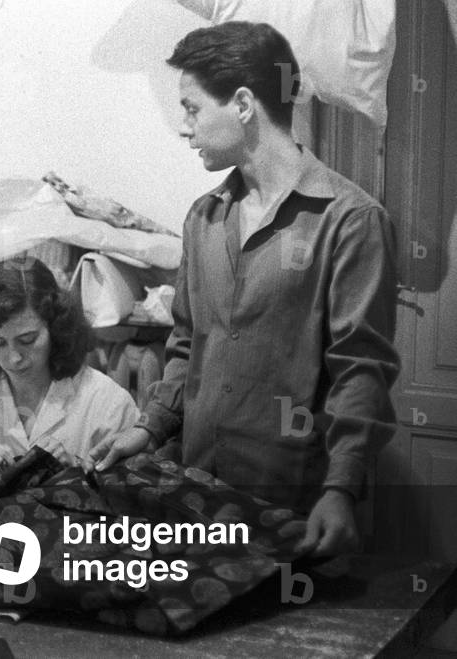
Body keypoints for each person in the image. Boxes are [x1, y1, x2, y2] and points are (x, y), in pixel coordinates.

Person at [86, 22, 400, 557]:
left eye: (191, 108)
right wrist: (147, 428)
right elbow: (188, 343)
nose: (184, 128)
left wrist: (341, 489)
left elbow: (360, 370)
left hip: (293, 505)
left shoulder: (350, 221)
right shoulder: (204, 219)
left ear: (243, 104)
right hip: (197, 499)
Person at [0, 258, 139, 507]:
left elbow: (138, 499)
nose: (13, 357)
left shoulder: (107, 401)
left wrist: (74, 476)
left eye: (28, 339)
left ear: (56, 328)